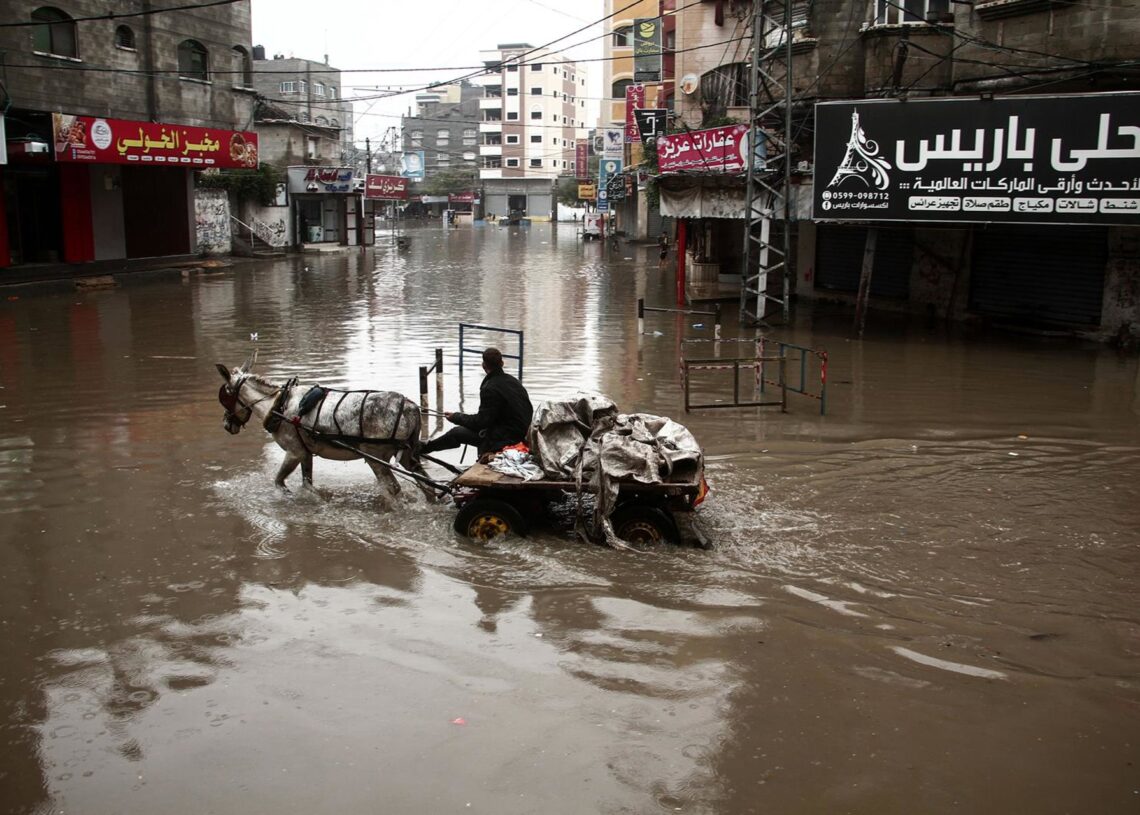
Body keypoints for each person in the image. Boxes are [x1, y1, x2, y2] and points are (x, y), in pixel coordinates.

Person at [420, 347, 533, 459]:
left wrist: (457, 417)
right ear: (502, 363)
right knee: (470, 428)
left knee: (456, 432)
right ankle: (425, 449)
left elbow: (481, 422)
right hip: (521, 433)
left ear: (483, 365)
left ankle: (422, 449)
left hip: (506, 438)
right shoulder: (514, 382)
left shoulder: (490, 388)